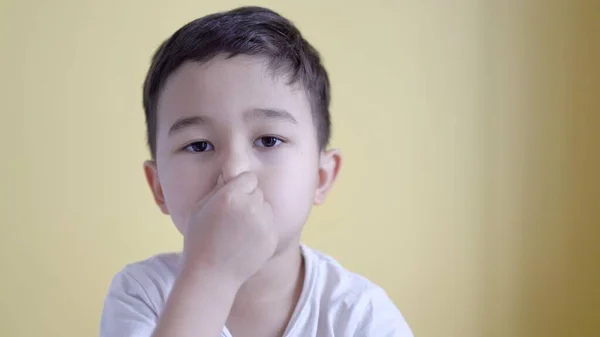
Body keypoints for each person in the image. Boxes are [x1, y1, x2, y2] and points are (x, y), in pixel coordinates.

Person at [100, 6, 413, 337]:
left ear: (321, 177)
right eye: (199, 146)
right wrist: (211, 274)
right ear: (159, 187)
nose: (234, 172)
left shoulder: (360, 314)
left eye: (268, 140)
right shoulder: (142, 294)